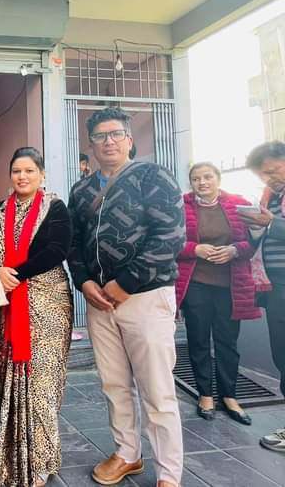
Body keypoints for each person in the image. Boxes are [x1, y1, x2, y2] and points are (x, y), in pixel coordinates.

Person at [67, 107, 185, 487]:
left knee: (157, 390)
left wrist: (126, 284)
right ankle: (127, 453)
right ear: (91, 145)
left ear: (129, 140)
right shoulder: (82, 190)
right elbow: (73, 243)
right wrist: (84, 281)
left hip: (146, 298)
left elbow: (170, 238)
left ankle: (169, 474)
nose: (109, 142)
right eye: (100, 136)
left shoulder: (154, 177)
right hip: (99, 302)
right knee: (114, 385)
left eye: (116, 134)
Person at [0, 147, 73, 487]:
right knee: (5, 378)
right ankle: (8, 456)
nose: (22, 177)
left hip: (47, 303)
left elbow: (57, 249)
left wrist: (16, 274)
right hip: (5, 302)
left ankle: (39, 461)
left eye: (29, 171)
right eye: (16, 171)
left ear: (42, 174)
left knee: (41, 383)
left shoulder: (56, 208)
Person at [176, 162, 259, 425]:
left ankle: (230, 396)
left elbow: (252, 243)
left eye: (207, 177)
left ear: (218, 178)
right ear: (191, 182)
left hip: (230, 286)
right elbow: (170, 242)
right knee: (198, 340)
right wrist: (194, 249)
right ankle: (205, 395)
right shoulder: (180, 205)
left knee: (227, 342)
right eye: (196, 178)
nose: (202, 182)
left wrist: (235, 250)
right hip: (196, 284)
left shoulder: (240, 204)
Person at [240, 141, 285, 453]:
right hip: (275, 286)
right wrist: (256, 227)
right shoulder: (272, 198)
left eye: (273, 170)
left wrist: (271, 223)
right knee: (282, 356)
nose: (269, 179)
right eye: (263, 175)